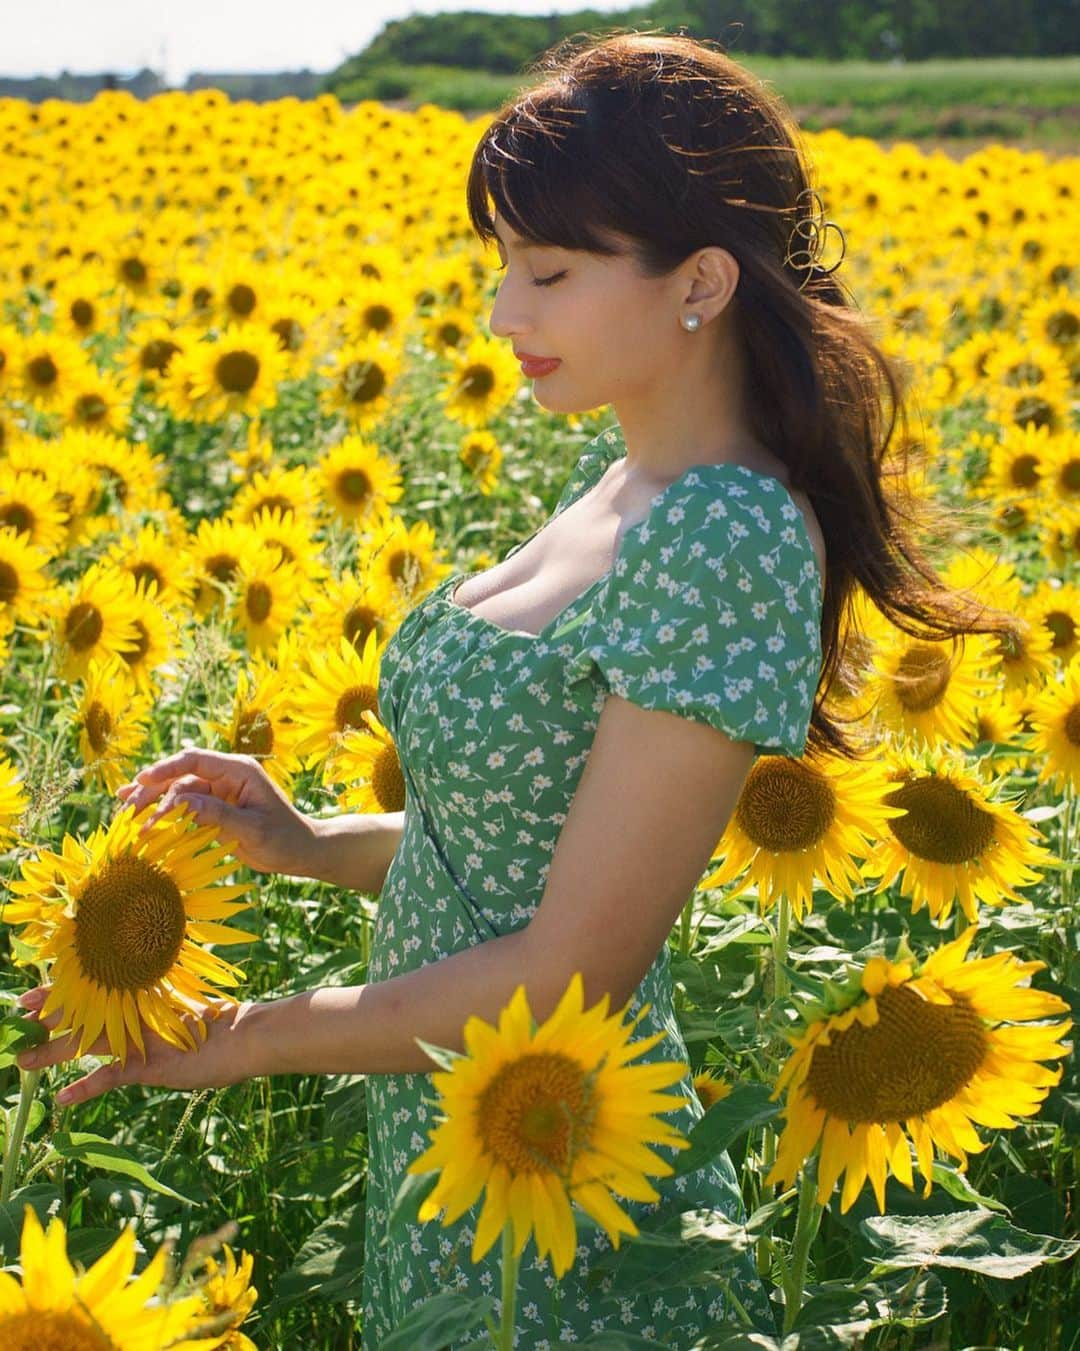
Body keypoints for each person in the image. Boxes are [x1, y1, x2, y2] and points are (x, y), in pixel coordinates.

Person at [17, 29, 1013, 1350]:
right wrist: (308, 843)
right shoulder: (617, 486)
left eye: (547, 271)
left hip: (565, 1183)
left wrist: (248, 1034)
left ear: (700, 282)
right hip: (454, 1139)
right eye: (503, 268)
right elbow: (521, 846)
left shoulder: (723, 531)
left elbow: (575, 961)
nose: (502, 315)